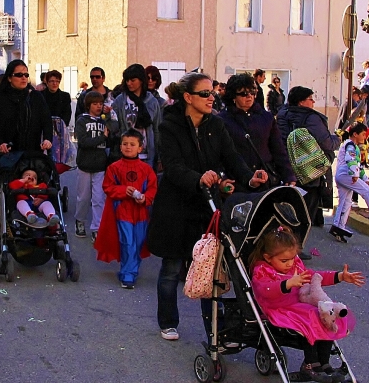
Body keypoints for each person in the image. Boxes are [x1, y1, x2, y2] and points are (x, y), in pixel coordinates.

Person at [147, 72, 268, 341]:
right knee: (171, 268)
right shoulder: (170, 126)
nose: (211, 98)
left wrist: (249, 176)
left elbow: (231, 156)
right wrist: (197, 177)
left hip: (207, 206)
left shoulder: (216, 124)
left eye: (212, 92)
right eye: (204, 94)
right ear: (188, 98)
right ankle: (168, 322)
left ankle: (214, 327)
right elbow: (173, 165)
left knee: (210, 268)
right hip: (175, 206)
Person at [249, 226, 364, 383]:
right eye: (284, 261)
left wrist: (339, 276)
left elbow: (314, 277)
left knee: (326, 314)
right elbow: (264, 290)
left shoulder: (295, 265)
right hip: (277, 309)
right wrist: (287, 283)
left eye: (292, 258)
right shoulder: (262, 270)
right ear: (268, 257)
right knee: (311, 317)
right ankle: (310, 364)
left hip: (297, 306)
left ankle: (324, 363)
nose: (290, 264)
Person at [94, 129, 157, 289]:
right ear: (120, 146)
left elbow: (152, 189)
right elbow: (107, 187)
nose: (128, 147)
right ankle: (129, 274)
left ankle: (129, 270)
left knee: (138, 242)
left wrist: (145, 198)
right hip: (122, 211)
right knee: (127, 242)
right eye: (125, 144)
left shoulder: (146, 169)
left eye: (132, 144)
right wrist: (123, 191)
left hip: (141, 212)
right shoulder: (114, 168)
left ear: (140, 148)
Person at [277, 87, 340, 237]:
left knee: (288, 211)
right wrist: (338, 139)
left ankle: (286, 244)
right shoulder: (312, 118)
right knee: (305, 212)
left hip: (286, 168)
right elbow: (326, 143)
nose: (313, 102)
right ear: (301, 102)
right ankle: (297, 246)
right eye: (310, 99)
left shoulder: (282, 114)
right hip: (309, 171)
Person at [218, 73, 296, 190]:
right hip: (236, 182)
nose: (249, 96)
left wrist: (288, 176)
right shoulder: (222, 120)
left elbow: (278, 149)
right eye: (243, 94)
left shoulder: (266, 117)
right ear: (233, 96)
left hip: (265, 179)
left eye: (252, 92)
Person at [331, 123, 369, 242]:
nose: (365, 137)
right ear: (355, 134)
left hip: (342, 175)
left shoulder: (350, 145)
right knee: (368, 192)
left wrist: (363, 177)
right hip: (347, 174)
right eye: (363, 134)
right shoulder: (350, 145)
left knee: (345, 202)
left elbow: (357, 164)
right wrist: (355, 174)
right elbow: (351, 160)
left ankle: (338, 227)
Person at [0, 59, 53, 154]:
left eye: (26, 75)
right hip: (7, 153)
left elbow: (46, 120)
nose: (23, 78)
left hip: (32, 152)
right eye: (19, 75)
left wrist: (47, 139)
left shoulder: (36, 96)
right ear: (9, 78)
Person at [110, 64, 162, 169]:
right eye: (127, 80)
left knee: (145, 185)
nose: (129, 83)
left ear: (141, 80)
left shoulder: (152, 101)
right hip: (126, 154)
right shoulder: (120, 101)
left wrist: (160, 157)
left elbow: (157, 130)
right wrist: (108, 115)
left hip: (147, 154)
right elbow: (114, 128)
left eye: (133, 80)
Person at [74, 91, 109, 240]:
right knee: (83, 197)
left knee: (99, 198)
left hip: (100, 164)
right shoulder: (82, 121)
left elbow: (114, 129)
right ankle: (80, 220)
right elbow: (83, 142)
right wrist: (102, 137)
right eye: (95, 104)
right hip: (85, 164)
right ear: (88, 105)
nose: (98, 107)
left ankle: (97, 227)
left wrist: (110, 115)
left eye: (100, 104)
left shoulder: (104, 121)